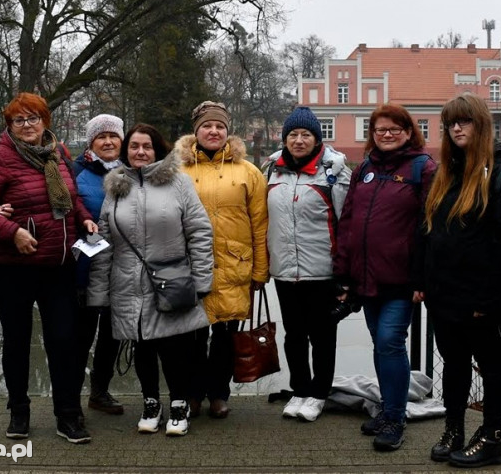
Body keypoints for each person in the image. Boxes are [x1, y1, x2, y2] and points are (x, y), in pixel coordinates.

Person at [0, 92, 97, 445]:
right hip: (12, 267)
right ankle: (19, 411)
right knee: (18, 340)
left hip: (58, 264)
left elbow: (73, 199)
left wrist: (84, 220)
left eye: (33, 118)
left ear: (45, 122)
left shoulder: (59, 154)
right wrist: (13, 232)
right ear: (9, 125)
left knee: (64, 340)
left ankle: (68, 415)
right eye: (19, 120)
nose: (27, 126)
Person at [415, 93, 501, 467]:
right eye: (451, 123)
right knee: (453, 365)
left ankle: (492, 438)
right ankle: (455, 428)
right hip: (445, 295)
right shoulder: (443, 174)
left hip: (484, 297)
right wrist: (426, 282)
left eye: (464, 121)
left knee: (493, 363)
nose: (456, 128)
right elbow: (429, 234)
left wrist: (490, 302)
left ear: (480, 125)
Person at [88, 124, 213, 436]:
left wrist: (201, 281)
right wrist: (99, 293)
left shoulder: (178, 183)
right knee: (142, 347)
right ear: (126, 151)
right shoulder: (115, 186)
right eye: (133, 146)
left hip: (171, 281)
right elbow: (104, 241)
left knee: (175, 348)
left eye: (146, 146)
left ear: (158, 150)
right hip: (127, 284)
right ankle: (151, 403)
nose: (140, 152)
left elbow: (199, 231)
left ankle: (180, 405)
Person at [333, 103, 435, 452]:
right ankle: (389, 408)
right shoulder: (364, 169)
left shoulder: (423, 168)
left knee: (391, 341)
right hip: (366, 278)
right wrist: (344, 274)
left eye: (395, 129)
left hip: (401, 279)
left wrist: (422, 278)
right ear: (372, 135)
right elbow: (347, 223)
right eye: (380, 130)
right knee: (382, 343)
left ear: (408, 132)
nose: (387, 135)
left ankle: (395, 417)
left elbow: (430, 226)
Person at [174, 100, 269, 419]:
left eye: (219, 126)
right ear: (196, 131)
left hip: (234, 266)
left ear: (228, 132)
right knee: (192, 336)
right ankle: (193, 393)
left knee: (226, 337)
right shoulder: (177, 170)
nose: (213, 131)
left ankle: (219, 393)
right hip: (190, 268)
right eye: (207, 126)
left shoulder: (249, 172)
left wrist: (260, 270)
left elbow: (260, 223)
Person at [266, 106, 351, 422]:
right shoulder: (272, 169)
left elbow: (347, 223)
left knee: (323, 335)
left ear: (317, 139)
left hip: (323, 271)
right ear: (285, 139)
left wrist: (345, 274)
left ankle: (318, 394)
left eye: (306, 135)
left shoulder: (335, 172)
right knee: (293, 335)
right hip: (286, 272)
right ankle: (299, 389)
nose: (299, 140)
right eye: (293, 135)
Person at [73, 114, 125, 416]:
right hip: (84, 268)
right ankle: (71, 399)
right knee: (80, 336)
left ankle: (99, 392)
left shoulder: (129, 172)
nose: (108, 142)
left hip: (120, 268)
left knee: (112, 334)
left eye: (113, 136)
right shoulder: (76, 171)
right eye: (101, 137)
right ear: (91, 142)